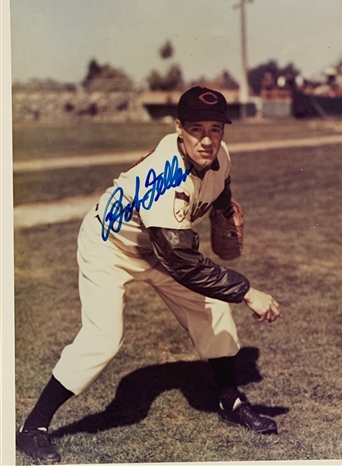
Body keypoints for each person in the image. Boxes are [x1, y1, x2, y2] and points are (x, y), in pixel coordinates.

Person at [16, 86, 282, 462]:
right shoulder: (166, 177)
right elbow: (182, 262)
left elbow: (221, 186)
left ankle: (230, 401)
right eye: (196, 129)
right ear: (179, 128)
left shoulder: (220, 155)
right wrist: (246, 290)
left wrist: (222, 212)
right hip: (110, 246)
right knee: (103, 338)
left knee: (213, 310)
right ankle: (33, 428)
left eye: (215, 128)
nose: (207, 140)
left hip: (159, 247)